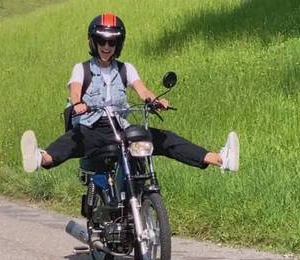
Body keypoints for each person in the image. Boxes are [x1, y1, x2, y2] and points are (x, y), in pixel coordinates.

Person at [21, 13, 239, 173]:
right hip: (92, 127)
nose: (107, 46)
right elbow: (75, 89)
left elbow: (141, 88)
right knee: (71, 140)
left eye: (112, 42)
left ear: (118, 44)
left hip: (120, 128)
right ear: (93, 42)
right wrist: (78, 103)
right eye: (102, 41)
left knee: (165, 138)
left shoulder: (126, 68)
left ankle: (220, 159)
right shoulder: (82, 68)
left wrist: (154, 100)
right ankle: (40, 157)